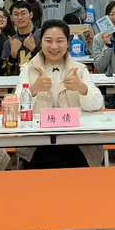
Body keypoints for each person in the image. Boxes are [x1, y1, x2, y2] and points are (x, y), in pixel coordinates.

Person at [14, 19, 104, 169]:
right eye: (48, 41)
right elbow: (15, 107)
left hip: (76, 142)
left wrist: (82, 89)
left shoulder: (80, 69)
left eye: (60, 41)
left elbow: (97, 105)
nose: (54, 46)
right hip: (37, 142)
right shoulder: (28, 69)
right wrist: (33, 90)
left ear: (68, 43)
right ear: (40, 42)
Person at [2, 1, 41, 75]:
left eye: (23, 13)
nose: (20, 17)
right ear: (11, 18)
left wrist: (34, 49)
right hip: (17, 81)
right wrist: (13, 54)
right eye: (16, 14)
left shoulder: (42, 37)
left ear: (31, 14)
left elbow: (49, 65)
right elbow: (6, 74)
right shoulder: (8, 43)